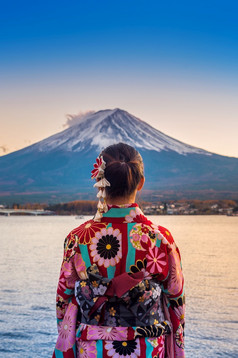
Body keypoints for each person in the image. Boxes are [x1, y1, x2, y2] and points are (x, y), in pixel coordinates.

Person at [53, 142, 185, 358]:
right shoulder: (160, 238)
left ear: (99, 182)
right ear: (141, 183)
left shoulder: (77, 238)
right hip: (147, 348)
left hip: (92, 348)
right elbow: (176, 301)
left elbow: (63, 300)